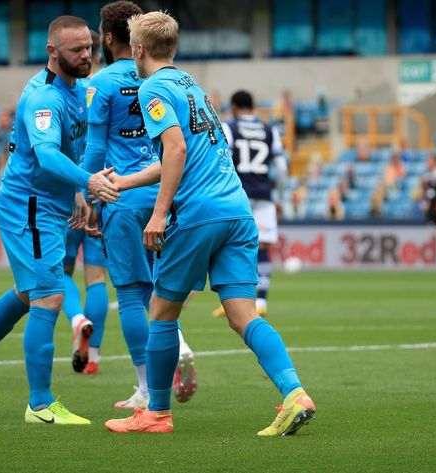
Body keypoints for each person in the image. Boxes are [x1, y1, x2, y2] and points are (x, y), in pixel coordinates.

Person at [104, 11, 315, 435]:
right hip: (237, 210)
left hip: (198, 212)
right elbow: (180, 154)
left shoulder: (152, 88)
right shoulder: (192, 86)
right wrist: (125, 181)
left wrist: (160, 213)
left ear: (139, 50)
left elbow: (176, 150)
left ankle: (156, 414)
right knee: (243, 314)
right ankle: (294, 394)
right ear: (173, 48)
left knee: (161, 312)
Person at [0, 15, 119, 425]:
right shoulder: (45, 98)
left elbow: (64, 151)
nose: (86, 55)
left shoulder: (75, 89)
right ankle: (40, 405)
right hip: (30, 207)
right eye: (76, 50)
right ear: (52, 52)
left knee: (29, 295)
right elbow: (46, 154)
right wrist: (88, 181)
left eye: (89, 48)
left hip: (49, 206)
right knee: (50, 296)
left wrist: (75, 192)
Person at [83, 0, 196, 408]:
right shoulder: (167, 77)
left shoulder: (102, 82)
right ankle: (178, 340)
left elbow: (95, 147)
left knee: (131, 294)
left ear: (107, 37)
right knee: (163, 289)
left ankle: (147, 389)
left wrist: (88, 193)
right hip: (166, 191)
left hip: (124, 194)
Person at [213, 90, 288, 317]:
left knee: (231, 245)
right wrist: (280, 197)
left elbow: (221, 159)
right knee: (263, 246)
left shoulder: (230, 127)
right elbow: (282, 169)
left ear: (234, 107)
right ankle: (261, 301)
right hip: (264, 194)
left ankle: (234, 301)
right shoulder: (270, 130)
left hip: (238, 194)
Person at [61, 28, 109, 376]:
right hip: (101, 191)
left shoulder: (65, 92)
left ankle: (77, 318)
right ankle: (93, 357)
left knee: (60, 270)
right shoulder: (106, 89)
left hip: (66, 192)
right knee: (96, 277)